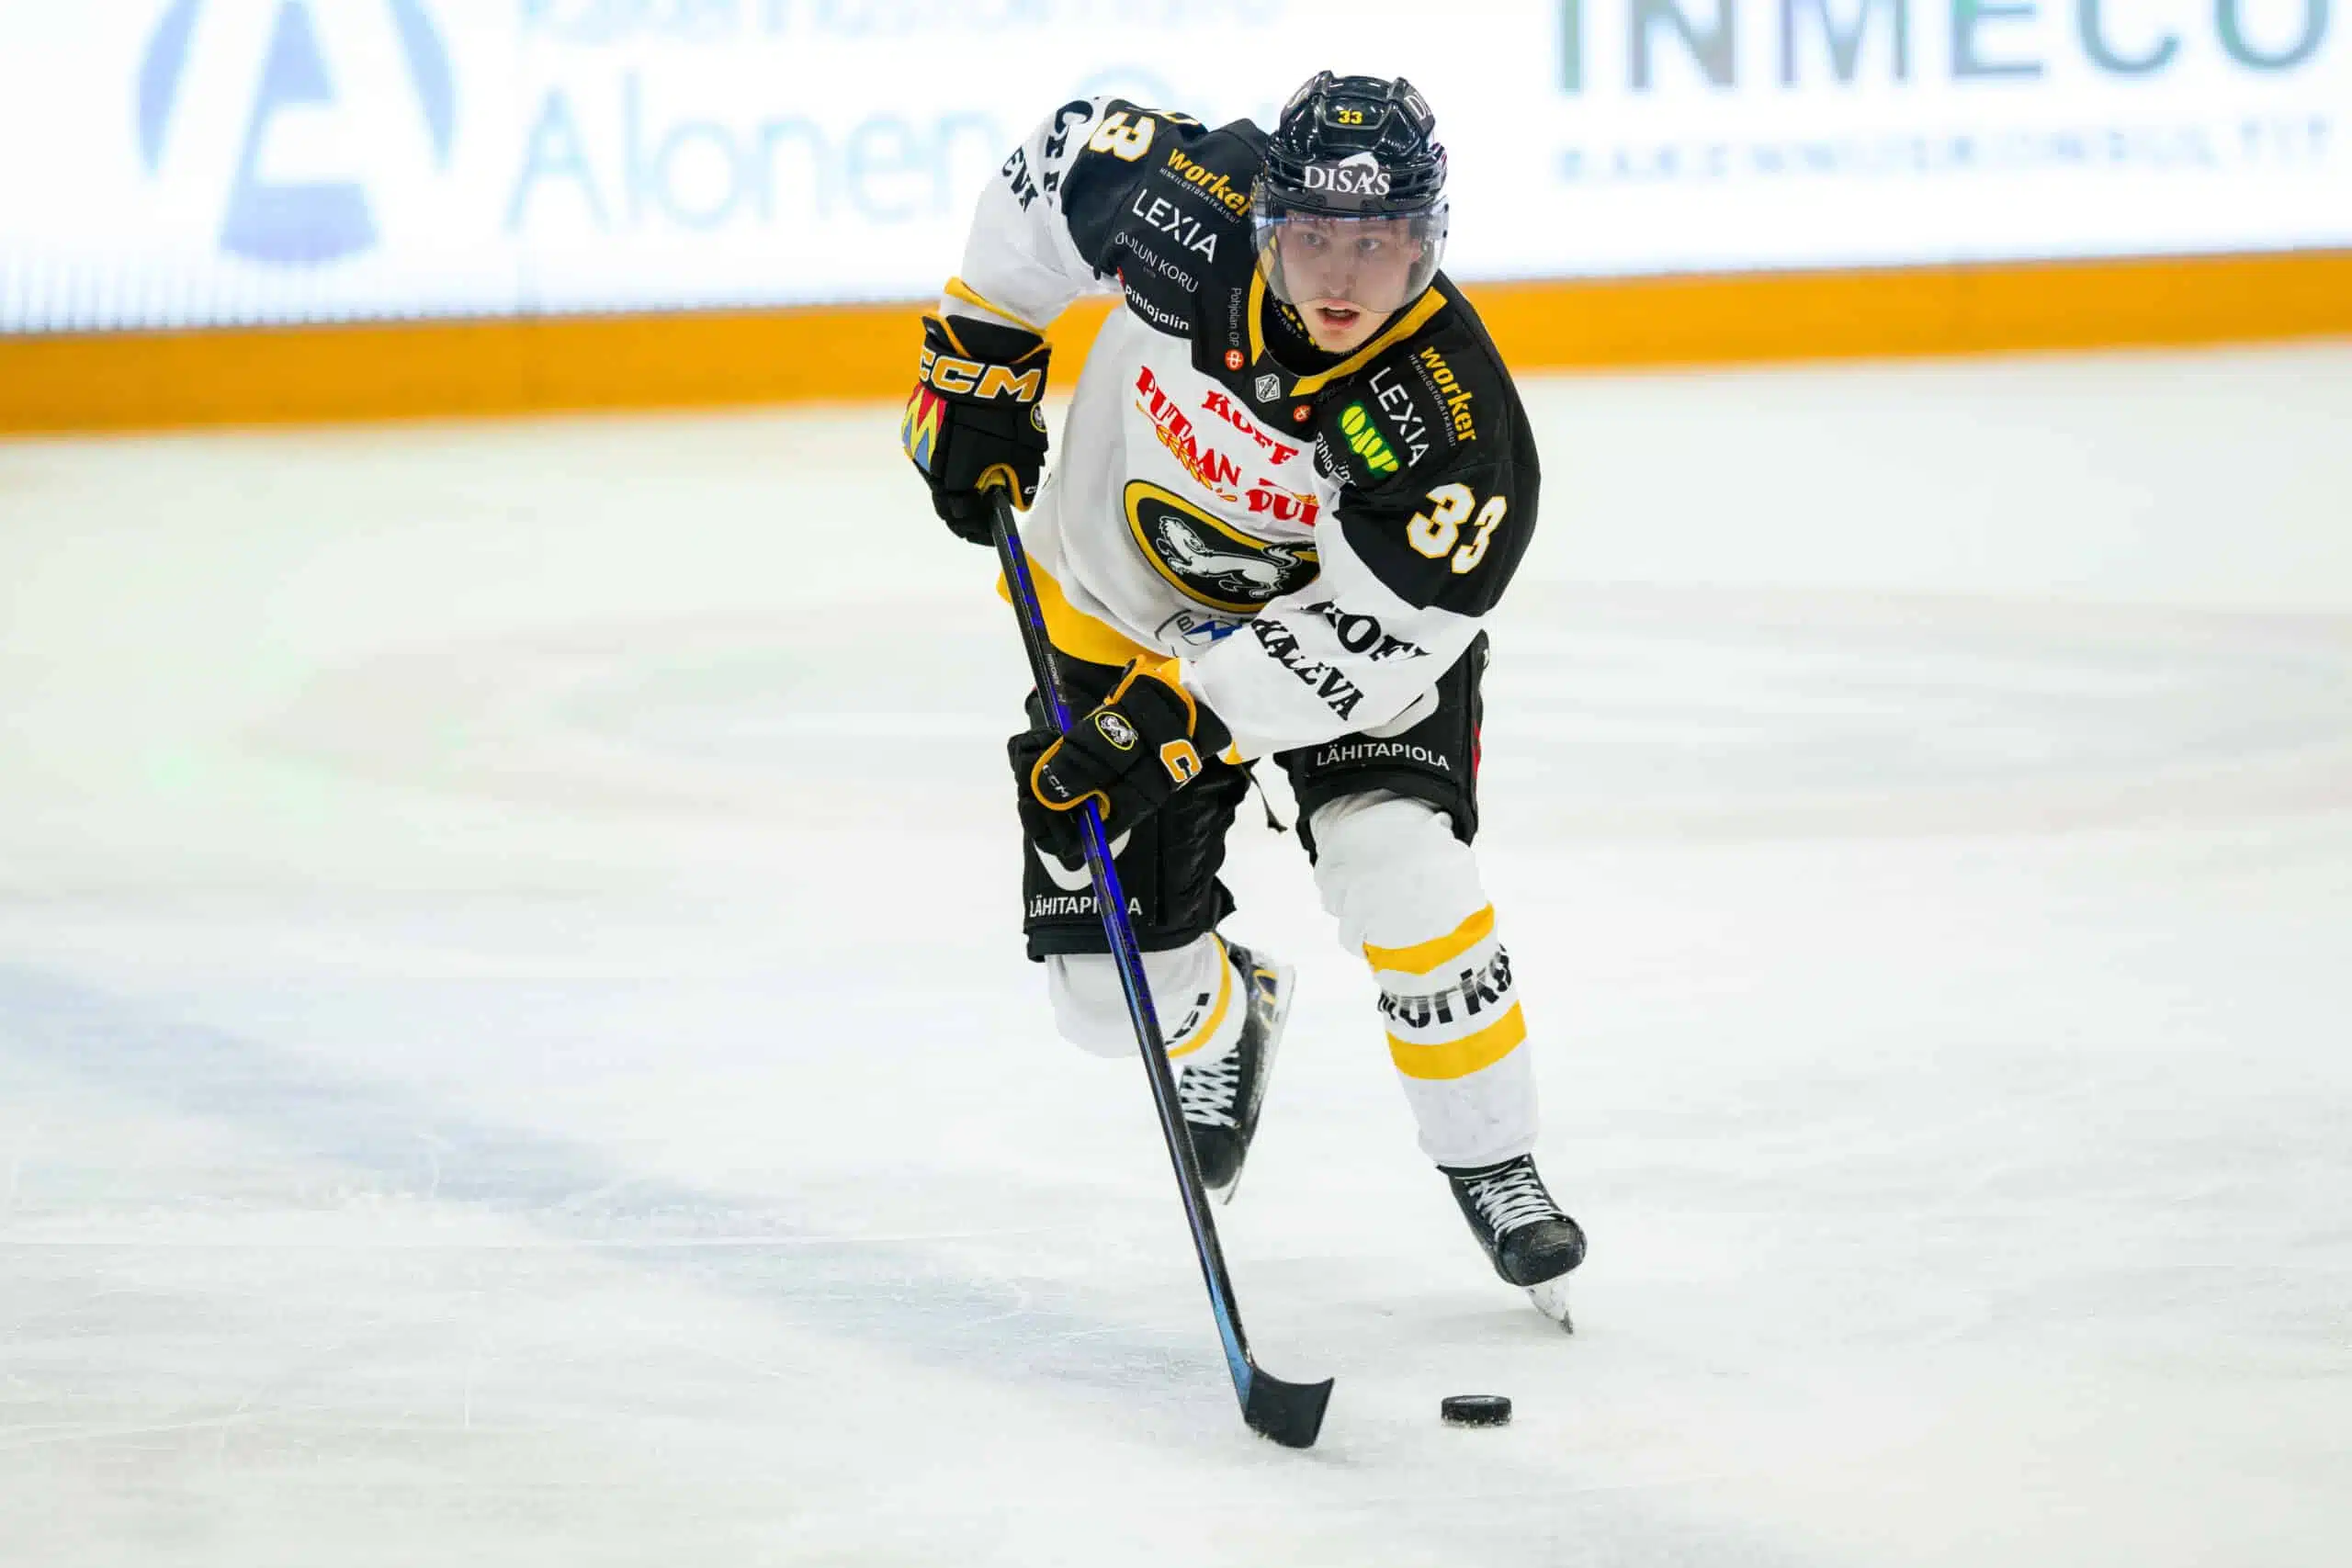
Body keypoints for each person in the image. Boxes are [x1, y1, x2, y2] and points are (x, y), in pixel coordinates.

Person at [901, 73, 1584, 1323]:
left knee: (1402, 867)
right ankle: (1228, 1017)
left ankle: (1494, 1159)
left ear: (1429, 243)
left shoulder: (1451, 428)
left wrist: (1191, 717)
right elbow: (1058, 165)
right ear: (1264, 221)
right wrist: (982, 347)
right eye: (1314, 238)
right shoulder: (1183, 207)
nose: (1343, 277)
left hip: (1335, 643)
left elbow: (1385, 630)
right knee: (1104, 996)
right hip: (1113, 602)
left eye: (1378, 244)